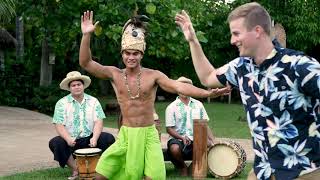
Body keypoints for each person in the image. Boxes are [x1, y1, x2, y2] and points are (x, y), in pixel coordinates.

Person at [175, 2, 320, 180]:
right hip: (262, 172)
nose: (232, 40)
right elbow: (207, 77)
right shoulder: (241, 68)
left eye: (236, 33)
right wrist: (193, 41)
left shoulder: (300, 65)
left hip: (305, 172)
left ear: (257, 31)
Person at [79, 11, 230, 180]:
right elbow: (86, 63)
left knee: (153, 177)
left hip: (149, 135)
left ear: (141, 54)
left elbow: (178, 86)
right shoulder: (114, 74)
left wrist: (207, 92)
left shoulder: (153, 75)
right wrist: (86, 35)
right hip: (126, 135)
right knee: (100, 176)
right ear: (122, 54)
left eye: (135, 53)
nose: (131, 57)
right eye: (127, 53)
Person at [48, 71, 115, 180]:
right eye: (73, 85)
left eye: (79, 84)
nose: (76, 87)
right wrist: (68, 139)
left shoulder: (93, 101)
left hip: (90, 139)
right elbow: (59, 124)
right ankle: (76, 170)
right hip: (71, 141)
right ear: (69, 88)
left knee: (108, 138)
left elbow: (99, 121)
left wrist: (95, 137)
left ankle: (98, 168)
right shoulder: (62, 103)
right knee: (56, 142)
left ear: (83, 86)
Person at [165, 76, 214, 176]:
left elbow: (205, 125)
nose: (184, 89)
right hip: (178, 139)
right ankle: (182, 167)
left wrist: (213, 141)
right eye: (181, 86)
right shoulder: (171, 107)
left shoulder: (199, 104)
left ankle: (194, 166)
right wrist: (181, 138)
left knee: (210, 145)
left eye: (187, 87)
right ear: (176, 89)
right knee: (174, 149)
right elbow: (169, 129)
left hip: (196, 138)